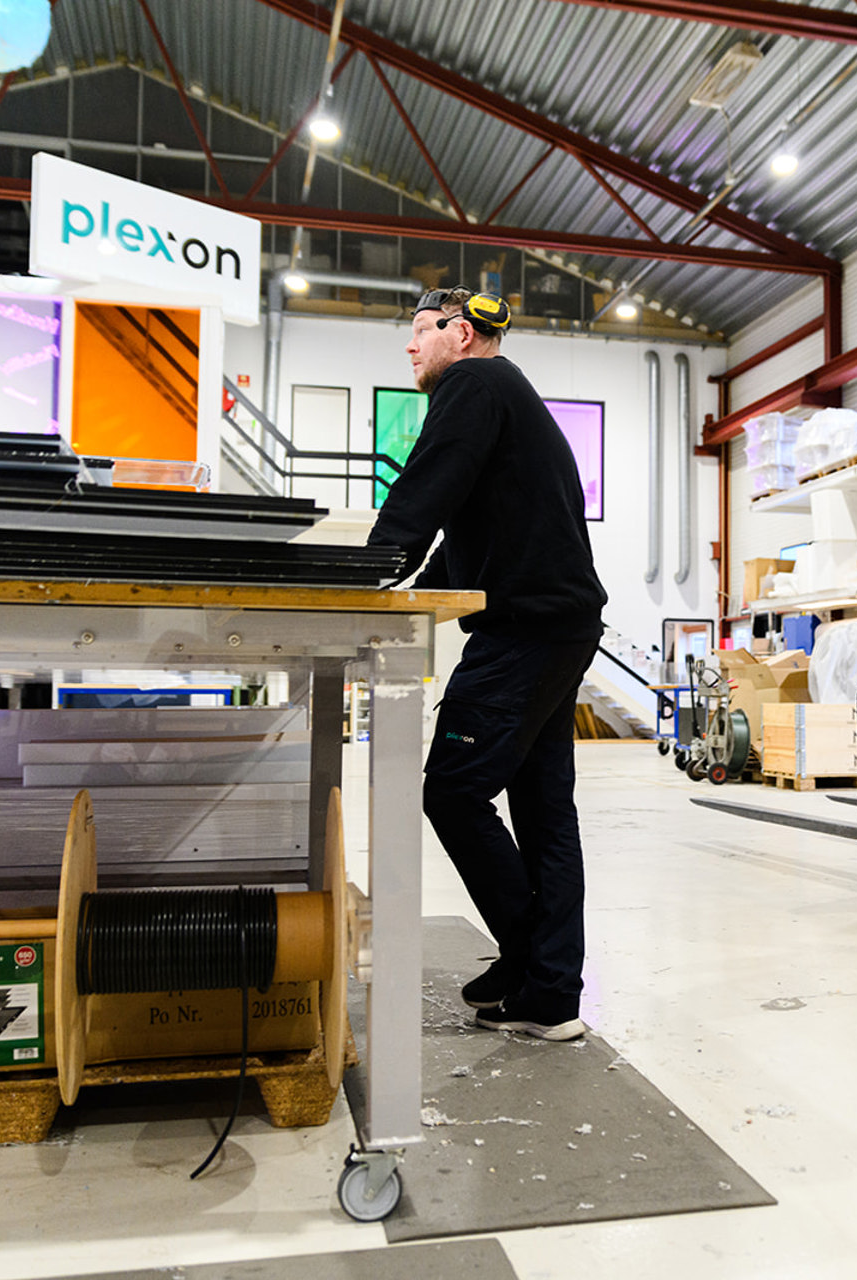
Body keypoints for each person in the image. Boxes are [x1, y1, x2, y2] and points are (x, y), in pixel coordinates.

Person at [367, 287, 608, 1042]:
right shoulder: (508, 395)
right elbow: (468, 530)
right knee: (543, 811)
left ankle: (534, 959)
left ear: (462, 333)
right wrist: (409, 587)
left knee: (453, 790)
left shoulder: (472, 382)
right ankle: (549, 994)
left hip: (524, 633)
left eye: (421, 330)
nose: (411, 346)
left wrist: (367, 573)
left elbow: (429, 482)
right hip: (558, 625)